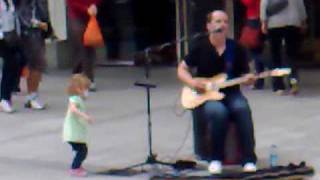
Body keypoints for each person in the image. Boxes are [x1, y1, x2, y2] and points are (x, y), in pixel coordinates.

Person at [177, 10, 257, 174]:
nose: (222, 25)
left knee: (242, 109)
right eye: (218, 21)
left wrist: (249, 79)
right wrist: (192, 82)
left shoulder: (236, 48)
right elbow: (182, 69)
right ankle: (216, 159)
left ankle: (249, 159)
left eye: (225, 21)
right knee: (218, 112)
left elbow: (246, 74)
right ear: (209, 26)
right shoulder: (200, 46)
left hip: (232, 93)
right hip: (206, 95)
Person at [260, 0, 307, 95]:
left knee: (275, 56)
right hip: (293, 22)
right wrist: (303, 21)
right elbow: (300, 5)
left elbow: (264, 4)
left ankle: (278, 86)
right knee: (291, 56)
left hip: (274, 24)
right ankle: (293, 84)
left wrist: (263, 21)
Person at [17, 0, 51, 110]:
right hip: (30, 31)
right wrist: (37, 24)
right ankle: (32, 96)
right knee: (36, 63)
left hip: (36, 30)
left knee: (35, 64)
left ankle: (32, 95)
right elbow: (24, 13)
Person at [63, 74, 94, 177]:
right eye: (85, 89)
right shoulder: (75, 99)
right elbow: (73, 109)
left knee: (82, 149)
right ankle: (74, 168)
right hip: (72, 133)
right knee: (82, 150)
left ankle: (77, 166)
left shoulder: (77, 99)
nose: (87, 91)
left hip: (75, 132)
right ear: (78, 89)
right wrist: (85, 116)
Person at [66, 0, 102, 91]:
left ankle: (89, 77)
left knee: (89, 45)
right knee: (79, 44)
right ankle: (77, 76)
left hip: (90, 14)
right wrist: (86, 8)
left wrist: (94, 5)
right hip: (76, 14)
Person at [0, 0, 21, 113]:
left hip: (10, 34)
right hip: (3, 36)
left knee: (13, 63)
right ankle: (4, 98)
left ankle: (5, 97)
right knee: (11, 62)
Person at [240, 0, 265, 89]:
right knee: (257, 49)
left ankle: (257, 80)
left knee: (254, 50)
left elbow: (248, 2)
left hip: (254, 19)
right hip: (260, 18)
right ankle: (259, 78)